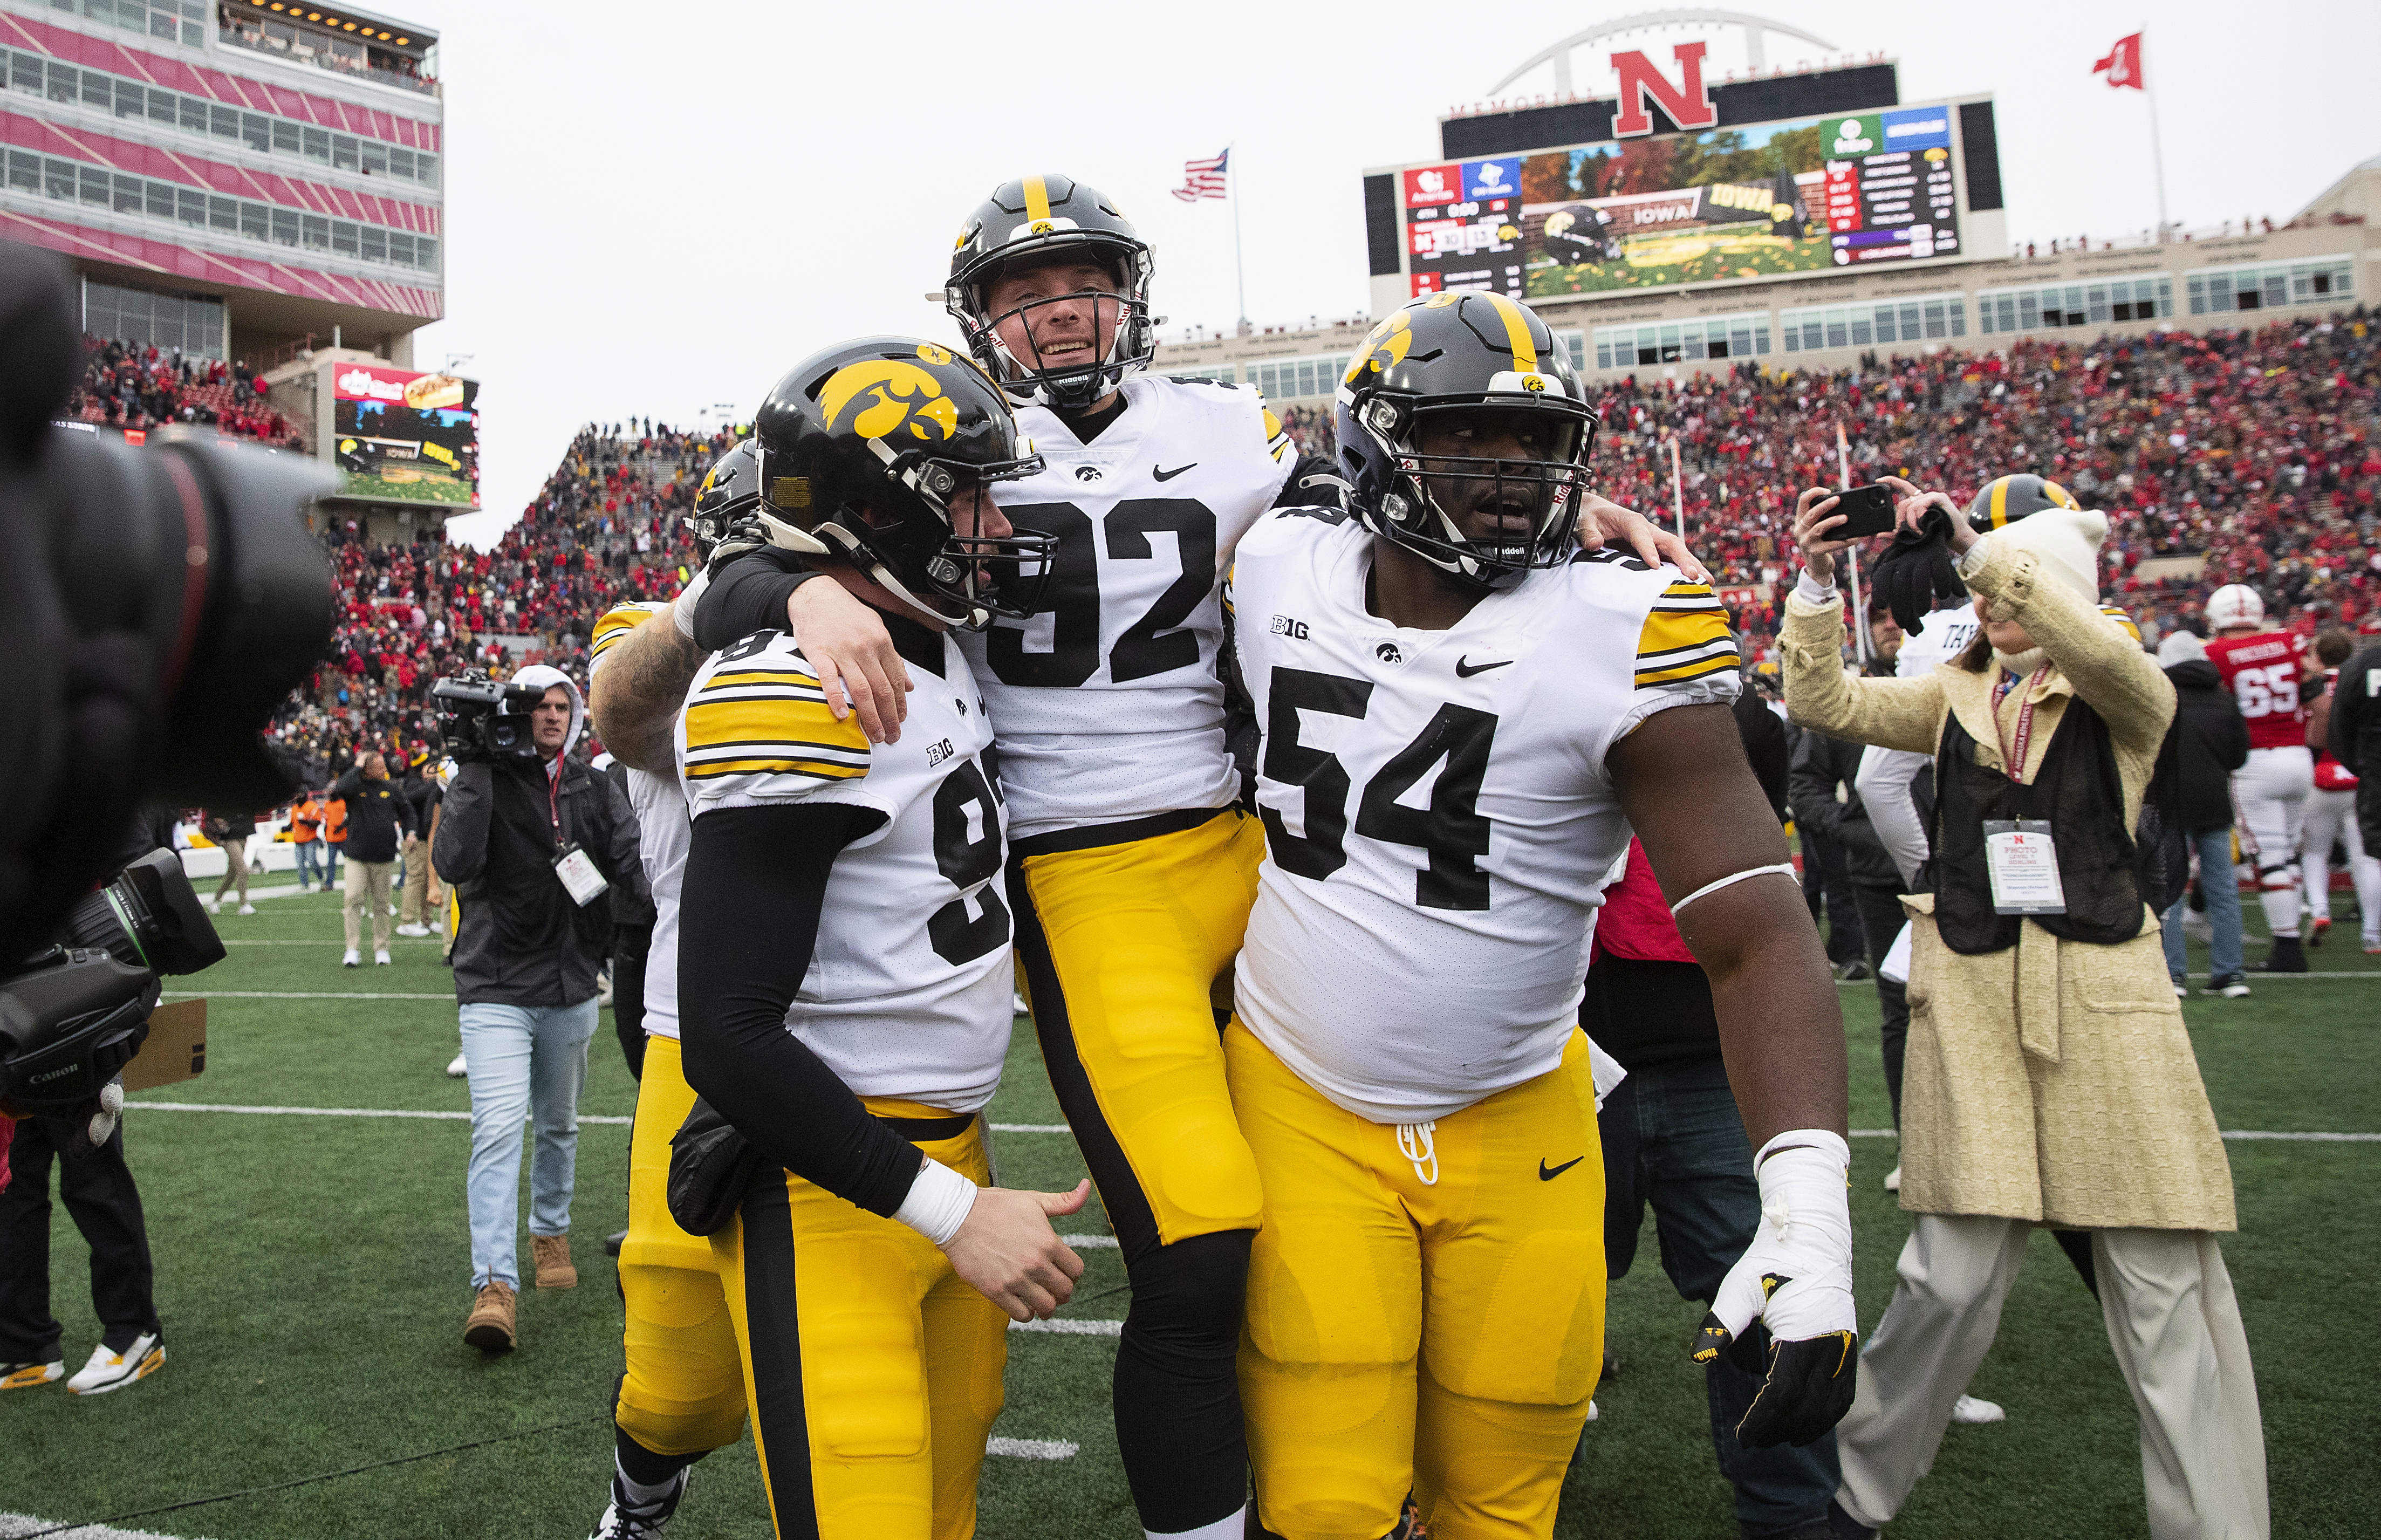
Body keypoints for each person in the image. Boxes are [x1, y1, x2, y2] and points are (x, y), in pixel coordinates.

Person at [689, 180, 1699, 1540]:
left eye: (1085, 281)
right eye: (1024, 291)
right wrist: (795, 584)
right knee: (1200, 1232)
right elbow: (756, 539)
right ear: (977, 317)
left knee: (1397, 1098)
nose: (1060, 311)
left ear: (1134, 293)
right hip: (1081, 872)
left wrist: (1560, 522)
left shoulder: (1233, 430)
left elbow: (1412, 506)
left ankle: (1393, 1433)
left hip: (1243, 836)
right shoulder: (956, 437)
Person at [1224, 292, 1856, 1540]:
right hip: (1298, 1094)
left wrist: (1810, 1210)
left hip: (1520, 1108)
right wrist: (788, 586)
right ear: (1377, 445)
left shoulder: (1626, 630)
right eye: (1468, 436)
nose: (1511, 476)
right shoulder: (1270, 555)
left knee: (1506, 1500)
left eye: (1534, 445)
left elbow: (1754, 928)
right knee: (1322, 1501)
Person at [1784, 477, 2266, 1540]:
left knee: (2161, 1301)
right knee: (1943, 1280)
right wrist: (1816, 582)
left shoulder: (2127, 693)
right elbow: (1824, 703)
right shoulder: (1955, 693)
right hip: (1977, 1016)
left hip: (2108, 1022)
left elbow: (2088, 649)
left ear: (2059, 591)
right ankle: (1855, 1498)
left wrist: (1971, 540)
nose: (1988, 596)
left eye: (2017, 580)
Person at [674, 339, 1093, 1539]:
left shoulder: (933, 638)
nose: (998, 526)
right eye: (966, 494)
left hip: (951, 1146)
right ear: (870, 510)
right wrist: (955, 1212)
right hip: (827, 1185)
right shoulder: (791, 689)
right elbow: (729, 1037)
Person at [1587, 688, 1851, 1540]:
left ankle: (1790, 1511)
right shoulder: (1525, 671)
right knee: (1516, 1305)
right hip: (1555, 1055)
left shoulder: (1728, 710)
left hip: (1711, 1057)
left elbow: (1755, 823)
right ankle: (1505, 1502)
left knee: (1771, 1296)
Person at [581, 593, 743, 1538]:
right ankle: (637, 1506)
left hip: (866, 1027)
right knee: (672, 1388)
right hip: (699, 1027)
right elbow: (623, 697)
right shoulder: (662, 652)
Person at [432, 665, 640, 1352]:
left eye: (561, 705)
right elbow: (455, 862)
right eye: (537, 706)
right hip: (494, 983)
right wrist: (471, 771)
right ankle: (494, 1283)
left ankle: (550, 1229)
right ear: (515, 712)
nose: (551, 716)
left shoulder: (594, 783)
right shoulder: (484, 776)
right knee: (497, 1126)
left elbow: (628, 863)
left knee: (558, 1122)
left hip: (572, 980)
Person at [0, 807, 175, 1398]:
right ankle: (24, 1340)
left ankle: (133, 1329)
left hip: (71, 999)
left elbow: (134, 881)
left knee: (89, 1168)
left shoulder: (66, 751)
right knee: (14, 1181)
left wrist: (123, 995)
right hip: (12, 1004)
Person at [2204, 583, 2320, 972]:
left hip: (2254, 761)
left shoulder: (2215, 653)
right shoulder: (2290, 642)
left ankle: (2287, 948)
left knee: (2269, 859)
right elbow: (2313, 688)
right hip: (2298, 755)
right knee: (2288, 854)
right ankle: (2293, 933)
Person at [2156, 631, 2253, 994]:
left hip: (2169, 804)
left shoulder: (2162, 696)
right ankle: (2230, 974)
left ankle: (2174, 973)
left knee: (2170, 893)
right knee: (2223, 890)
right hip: (2215, 802)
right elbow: (2239, 756)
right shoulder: (2224, 699)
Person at [2300, 630, 2380, 953]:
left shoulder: (2309, 683)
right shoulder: (2359, 675)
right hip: (2361, 776)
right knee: (2366, 857)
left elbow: (2315, 733)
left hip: (2319, 774)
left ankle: (2319, 909)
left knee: (2314, 851)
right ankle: (2373, 933)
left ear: (2319, 655)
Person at [331, 751, 416, 967]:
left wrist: (411, 832)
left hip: (383, 856)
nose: (384, 770)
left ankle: (382, 948)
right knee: (353, 899)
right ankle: (352, 949)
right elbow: (339, 789)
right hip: (357, 856)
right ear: (367, 769)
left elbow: (407, 812)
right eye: (378, 766)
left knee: (382, 904)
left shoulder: (391, 789)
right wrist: (357, 766)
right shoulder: (354, 788)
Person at [395, 747, 444, 939]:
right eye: (430, 767)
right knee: (415, 878)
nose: (435, 770)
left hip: (425, 837)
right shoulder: (412, 783)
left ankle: (426, 919)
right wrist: (435, 783)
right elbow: (411, 800)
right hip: (415, 838)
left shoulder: (425, 784)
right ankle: (407, 920)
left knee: (426, 880)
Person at [205, 808, 256, 915]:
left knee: (231, 875)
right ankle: (244, 904)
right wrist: (219, 836)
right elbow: (211, 819)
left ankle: (215, 901)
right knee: (243, 870)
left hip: (242, 838)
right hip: (230, 840)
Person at [288, 789, 326, 891]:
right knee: (300, 863)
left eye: (301, 795)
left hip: (310, 839)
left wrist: (306, 822)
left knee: (312, 861)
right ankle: (304, 884)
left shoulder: (312, 806)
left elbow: (317, 822)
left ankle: (322, 877)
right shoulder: (294, 808)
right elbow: (292, 823)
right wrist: (286, 828)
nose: (298, 797)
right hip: (298, 840)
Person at [320, 783, 346, 889]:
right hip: (332, 838)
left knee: (351, 861)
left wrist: (341, 827)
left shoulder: (343, 803)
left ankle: (357, 881)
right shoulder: (327, 805)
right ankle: (329, 884)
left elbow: (348, 818)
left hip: (344, 837)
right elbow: (326, 823)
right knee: (331, 863)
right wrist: (326, 836)